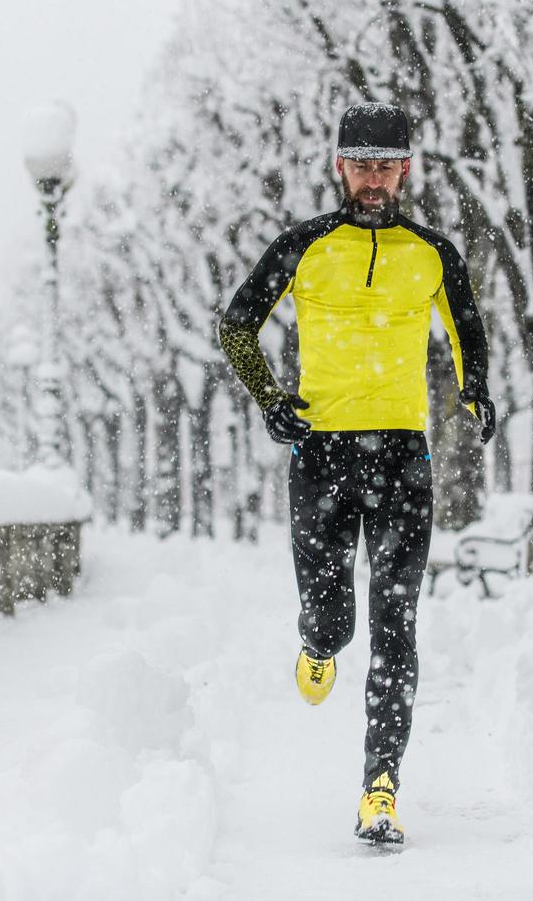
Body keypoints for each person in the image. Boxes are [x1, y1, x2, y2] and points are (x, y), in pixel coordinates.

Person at [218, 101, 495, 845]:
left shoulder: (432, 253)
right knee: (337, 621)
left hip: (405, 456)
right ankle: (315, 643)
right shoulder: (304, 245)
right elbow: (236, 323)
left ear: (406, 169)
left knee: (395, 622)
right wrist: (272, 402)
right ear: (339, 166)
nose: (374, 179)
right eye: (361, 164)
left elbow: (467, 329)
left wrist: (477, 391)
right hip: (322, 456)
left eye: (387, 165)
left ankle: (381, 785)